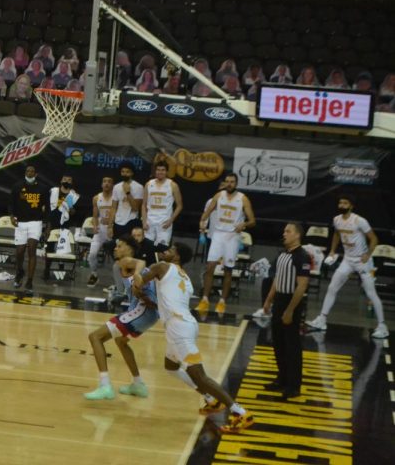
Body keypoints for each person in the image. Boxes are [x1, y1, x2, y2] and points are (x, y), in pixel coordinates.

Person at [133, 243, 254, 433]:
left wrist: (135, 281)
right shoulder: (185, 278)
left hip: (179, 328)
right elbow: (167, 300)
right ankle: (210, 400)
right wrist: (149, 300)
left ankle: (240, 412)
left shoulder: (162, 267)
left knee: (200, 376)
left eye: (171, 250)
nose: (166, 252)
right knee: (171, 367)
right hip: (183, 325)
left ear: (178, 256)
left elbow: (139, 280)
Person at [84, 237, 159, 400]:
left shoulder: (126, 261)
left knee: (95, 337)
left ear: (130, 248)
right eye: (115, 247)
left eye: (120, 245)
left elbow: (141, 263)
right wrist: (141, 293)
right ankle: (138, 385)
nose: (115, 249)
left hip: (142, 310)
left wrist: (138, 275)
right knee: (120, 341)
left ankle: (105, 386)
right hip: (149, 311)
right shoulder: (123, 264)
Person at [307, 196, 387, 339]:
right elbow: (337, 234)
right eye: (340, 202)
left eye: (345, 203)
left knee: (370, 293)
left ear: (351, 206)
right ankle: (322, 320)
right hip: (348, 260)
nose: (341, 205)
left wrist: (368, 254)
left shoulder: (359, 221)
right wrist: (332, 250)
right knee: (332, 287)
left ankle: (382, 326)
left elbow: (374, 238)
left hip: (362, 261)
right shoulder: (337, 219)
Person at [256, 224, 311, 399]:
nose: (284, 234)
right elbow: (277, 279)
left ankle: (294, 385)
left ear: (297, 235)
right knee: (278, 342)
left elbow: (302, 286)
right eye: (284, 230)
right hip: (279, 300)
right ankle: (282, 378)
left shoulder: (302, 256)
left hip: (291, 303)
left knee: (292, 345)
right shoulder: (282, 255)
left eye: (288, 231)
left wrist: (290, 310)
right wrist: (268, 300)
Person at [198, 173, 256, 315]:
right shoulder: (219, 196)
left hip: (232, 236)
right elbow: (207, 212)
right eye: (227, 181)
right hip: (218, 234)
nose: (230, 184)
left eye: (232, 181)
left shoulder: (243, 199)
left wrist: (244, 224)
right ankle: (205, 299)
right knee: (210, 265)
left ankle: (222, 301)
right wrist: (202, 222)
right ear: (224, 183)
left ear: (236, 183)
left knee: (228, 269)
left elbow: (253, 221)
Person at [10, 164, 47, 293]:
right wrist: (11, 216)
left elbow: (46, 206)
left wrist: (46, 223)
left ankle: (30, 281)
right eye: (27, 171)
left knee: (32, 249)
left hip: (35, 222)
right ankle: (20, 271)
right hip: (21, 222)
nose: (30, 173)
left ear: (36, 174)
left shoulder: (42, 188)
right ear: (25, 173)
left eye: (32, 171)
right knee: (19, 251)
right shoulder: (17, 186)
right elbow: (12, 203)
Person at [42, 174, 79, 281]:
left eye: (69, 180)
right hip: (52, 223)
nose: (66, 181)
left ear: (71, 183)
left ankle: (61, 269)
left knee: (63, 247)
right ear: (61, 180)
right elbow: (48, 208)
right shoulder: (53, 191)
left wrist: (70, 206)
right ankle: (47, 270)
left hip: (65, 224)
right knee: (49, 247)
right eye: (65, 179)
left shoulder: (74, 196)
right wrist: (48, 225)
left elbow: (73, 212)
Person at [141, 161, 183, 250]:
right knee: (147, 248)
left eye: (163, 170)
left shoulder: (173, 185)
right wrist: (144, 221)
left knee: (162, 250)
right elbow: (144, 205)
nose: (160, 172)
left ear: (167, 172)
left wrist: (170, 221)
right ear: (155, 171)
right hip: (150, 222)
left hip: (164, 223)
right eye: (158, 170)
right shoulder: (148, 184)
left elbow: (179, 206)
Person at [86, 176, 114, 287]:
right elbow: (94, 215)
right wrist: (95, 226)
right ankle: (94, 274)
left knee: (114, 258)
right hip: (101, 230)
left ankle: (116, 282)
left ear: (113, 185)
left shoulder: (116, 198)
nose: (106, 184)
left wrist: (112, 222)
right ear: (101, 184)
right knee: (92, 255)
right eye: (104, 181)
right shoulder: (96, 198)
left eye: (109, 182)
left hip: (112, 229)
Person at [111, 162, 144, 239]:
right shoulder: (116, 187)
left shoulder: (139, 187)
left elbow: (135, 208)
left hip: (131, 221)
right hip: (118, 222)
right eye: (123, 172)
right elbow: (113, 207)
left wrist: (128, 193)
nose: (125, 174)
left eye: (127, 172)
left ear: (132, 173)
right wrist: (110, 226)